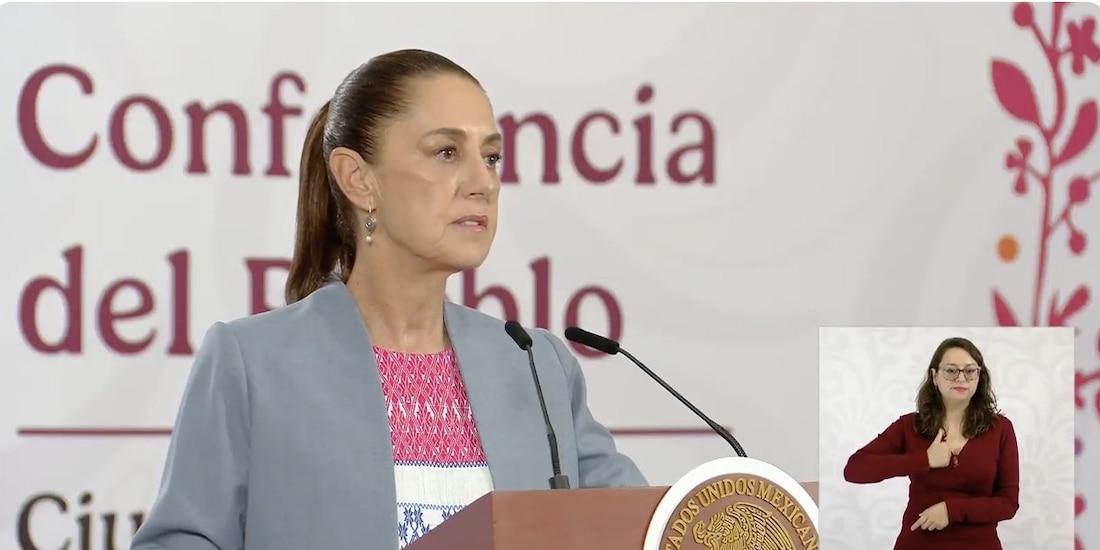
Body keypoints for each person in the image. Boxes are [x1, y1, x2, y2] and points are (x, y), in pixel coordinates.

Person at [129, 48, 647, 550]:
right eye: (447, 153)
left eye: (490, 157)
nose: (481, 183)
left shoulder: (536, 365)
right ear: (358, 179)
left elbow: (645, 527)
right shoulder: (252, 364)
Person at [842, 336, 1019, 550]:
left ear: (979, 377)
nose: (961, 378)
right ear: (935, 376)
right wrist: (924, 459)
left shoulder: (1000, 429)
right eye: (951, 370)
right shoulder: (909, 426)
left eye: (970, 371)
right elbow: (855, 469)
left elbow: (1007, 504)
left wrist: (951, 511)